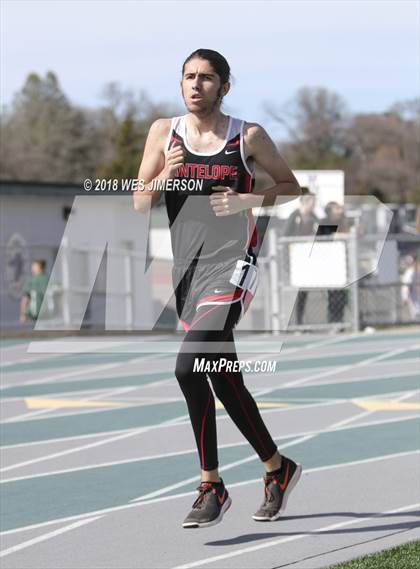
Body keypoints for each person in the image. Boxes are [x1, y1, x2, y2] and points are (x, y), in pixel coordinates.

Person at [133, 49, 302, 528]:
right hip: (188, 273)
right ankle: (277, 468)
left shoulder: (247, 136)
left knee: (188, 366)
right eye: (188, 76)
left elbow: (292, 187)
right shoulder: (162, 133)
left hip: (233, 267)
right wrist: (166, 171)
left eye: (207, 78)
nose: (195, 85)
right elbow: (139, 201)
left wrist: (248, 197)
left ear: (225, 86)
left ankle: (211, 483)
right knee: (223, 377)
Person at [283, 190, 318, 326]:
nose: (313, 205)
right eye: (311, 202)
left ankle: (302, 321)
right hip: (294, 258)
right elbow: (286, 235)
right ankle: (295, 322)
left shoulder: (313, 217)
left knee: (304, 292)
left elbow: (321, 231)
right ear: (305, 202)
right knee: (295, 292)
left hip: (307, 258)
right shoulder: (294, 216)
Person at [317, 201, 350, 324]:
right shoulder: (325, 221)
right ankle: (333, 320)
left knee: (343, 294)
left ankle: (341, 320)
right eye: (336, 208)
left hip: (343, 262)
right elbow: (326, 236)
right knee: (333, 294)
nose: (339, 211)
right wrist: (342, 236)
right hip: (330, 262)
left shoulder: (343, 221)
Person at [20, 259, 49, 323]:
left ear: (40, 268)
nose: (32, 268)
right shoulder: (49, 279)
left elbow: (25, 299)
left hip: (37, 313)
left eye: (34, 266)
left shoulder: (31, 281)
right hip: (47, 315)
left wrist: (23, 314)